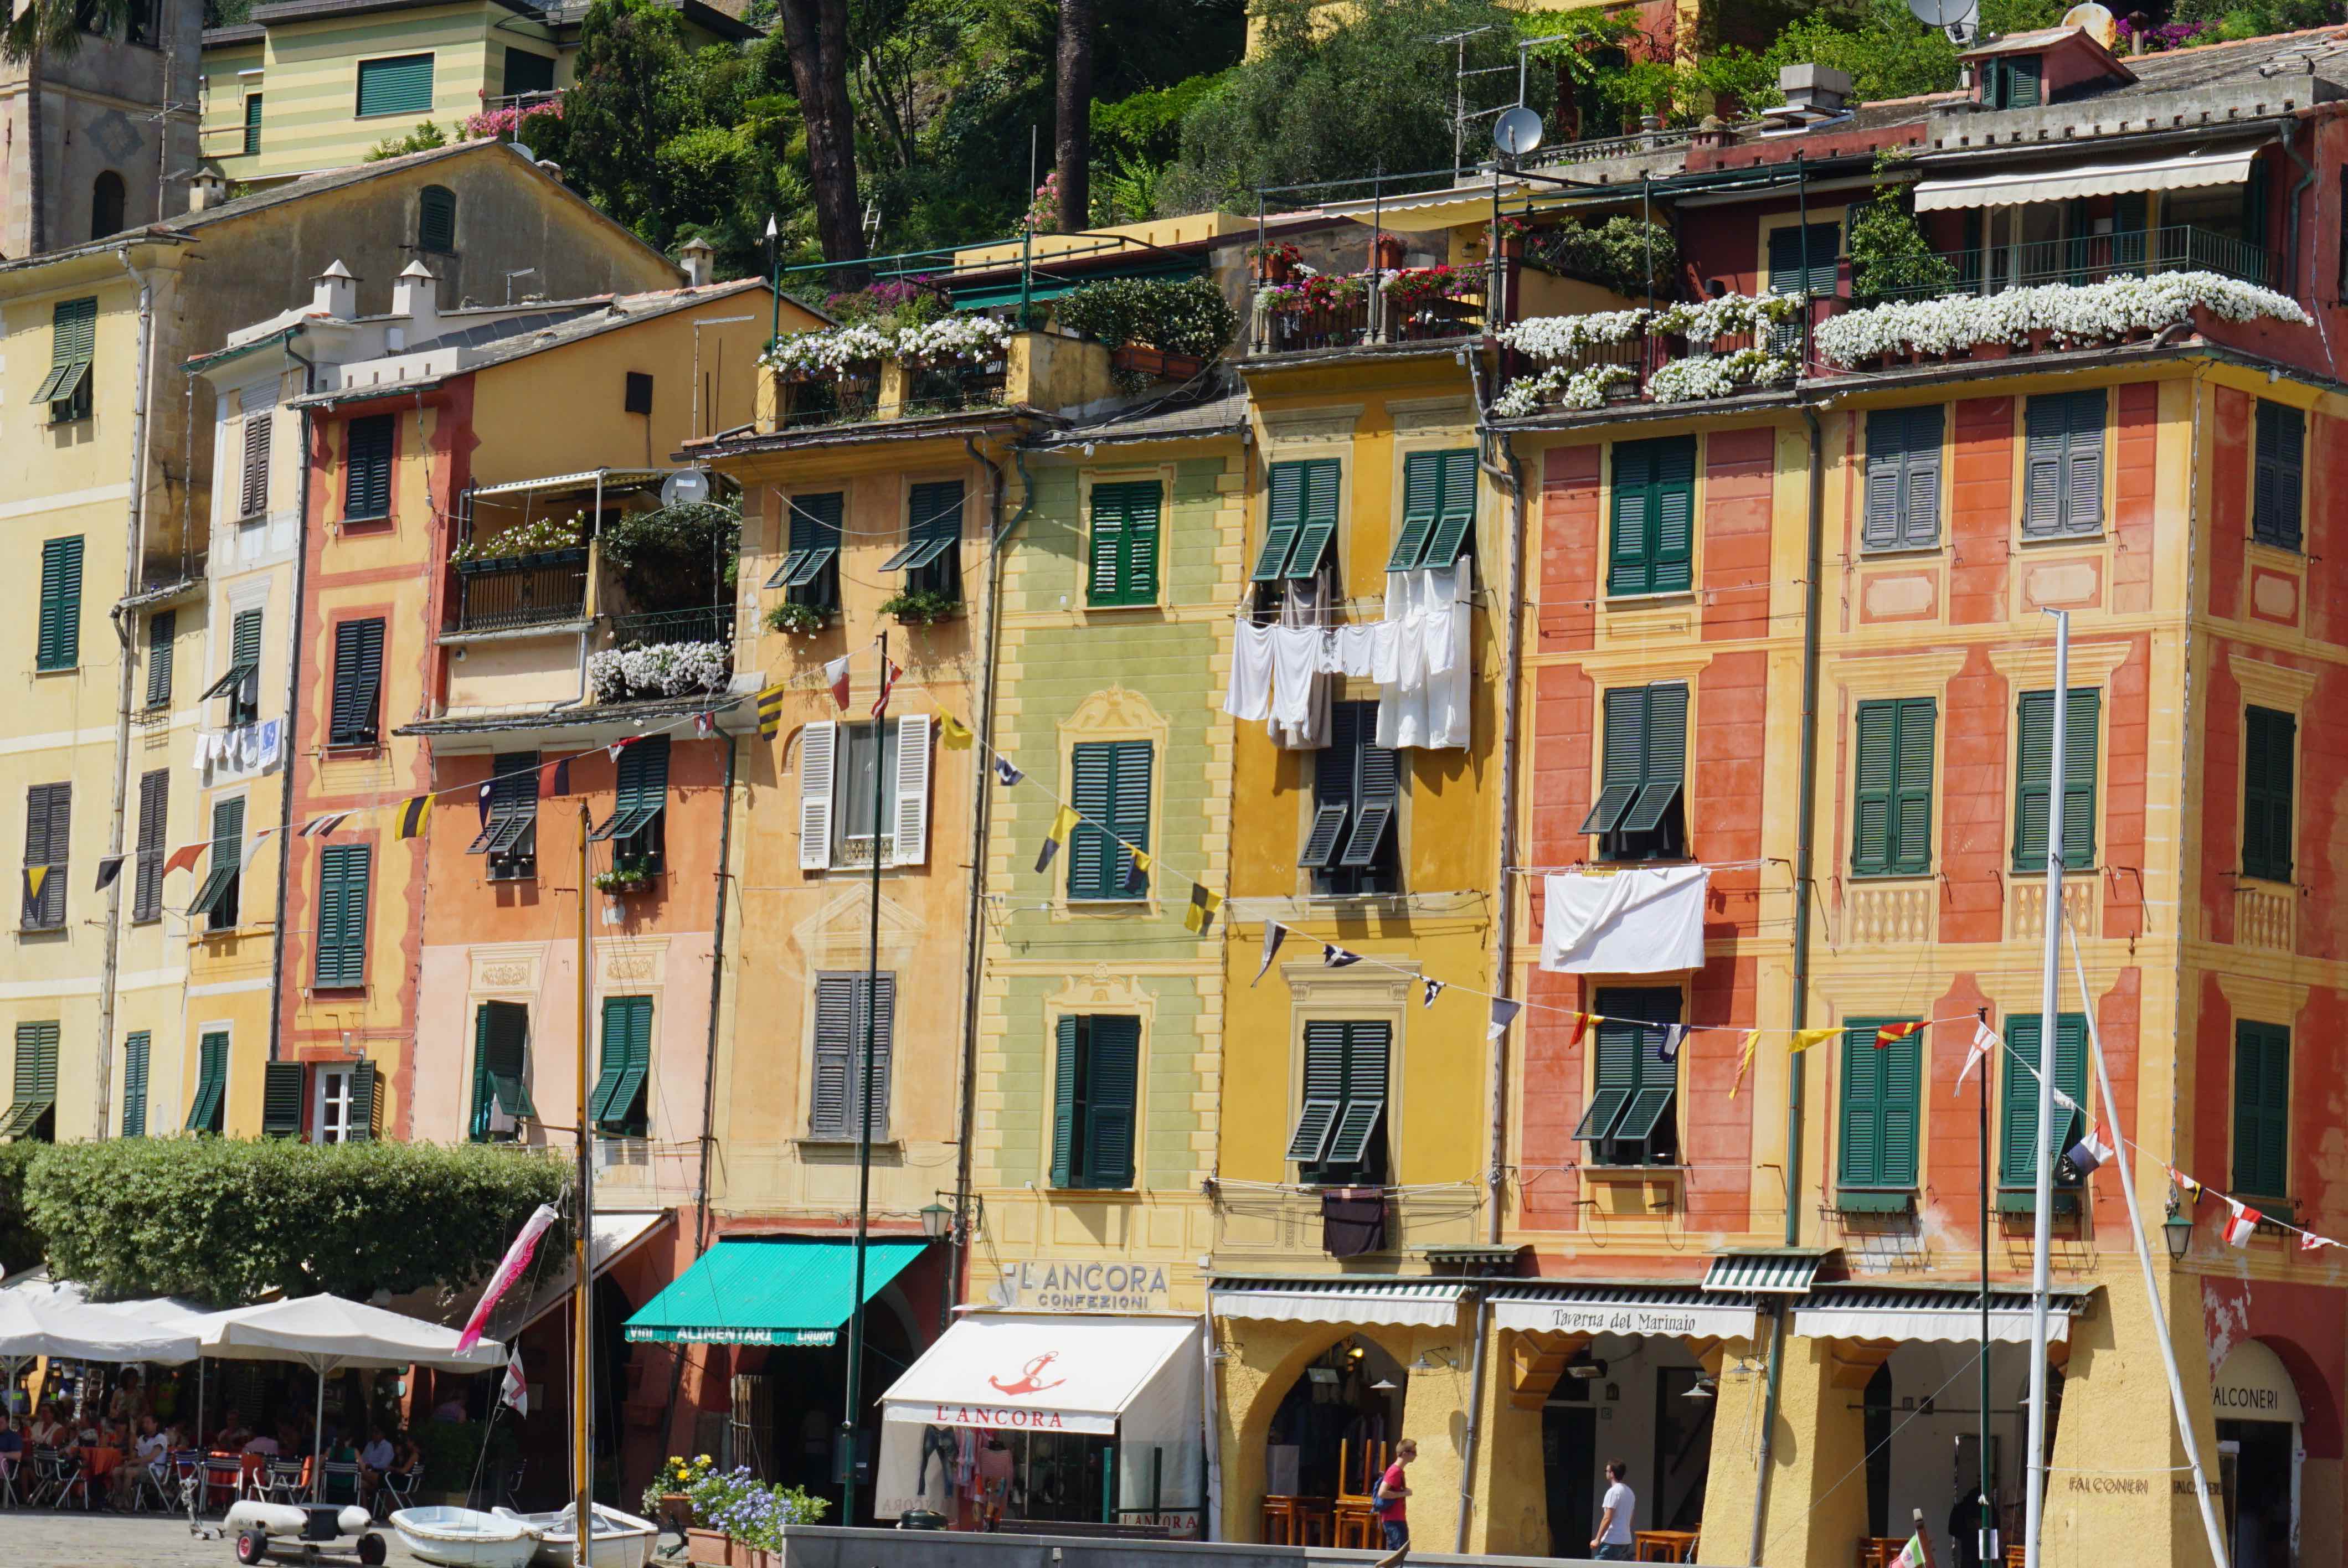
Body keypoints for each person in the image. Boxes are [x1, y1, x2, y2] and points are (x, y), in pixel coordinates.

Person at [1374, 1437, 1416, 1550]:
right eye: (1413, 1452)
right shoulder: (1395, 1471)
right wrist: (1404, 1493)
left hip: (1396, 1519)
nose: (1416, 1455)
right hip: (1394, 1520)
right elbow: (1382, 1493)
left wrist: (1403, 1492)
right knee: (1400, 1554)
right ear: (1405, 1454)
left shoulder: (1398, 1471)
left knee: (1395, 1554)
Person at [1592, 1459, 1635, 1561]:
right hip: (1625, 1541)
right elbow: (1631, 1518)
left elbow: (1607, 1518)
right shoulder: (1630, 1493)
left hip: (1611, 1541)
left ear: (1612, 1474)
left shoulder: (1613, 1492)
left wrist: (1597, 1540)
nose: (1606, 1473)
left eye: (1607, 1471)